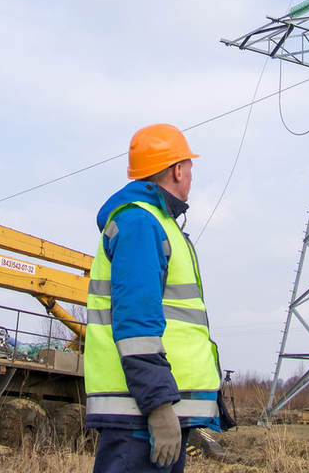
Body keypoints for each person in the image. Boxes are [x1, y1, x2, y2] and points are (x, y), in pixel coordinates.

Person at [84, 124, 223, 473]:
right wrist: (159, 406)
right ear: (177, 169)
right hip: (143, 415)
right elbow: (135, 324)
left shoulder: (154, 222)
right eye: (190, 167)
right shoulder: (141, 224)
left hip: (148, 409)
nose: (191, 176)